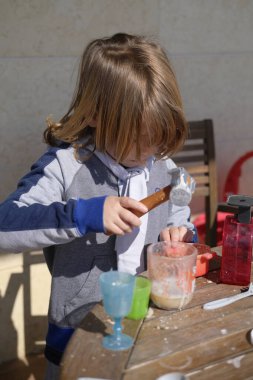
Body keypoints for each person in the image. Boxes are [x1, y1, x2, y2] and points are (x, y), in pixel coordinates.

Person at [0, 33, 197, 379]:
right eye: (137, 137)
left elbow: (179, 214)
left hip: (151, 330)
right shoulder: (66, 166)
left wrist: (181, 235)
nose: (148, 151)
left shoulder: (164, 167)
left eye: (156, 138)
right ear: (94, 114)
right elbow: (5, 225)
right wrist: (84, 214)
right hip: (79, 331)